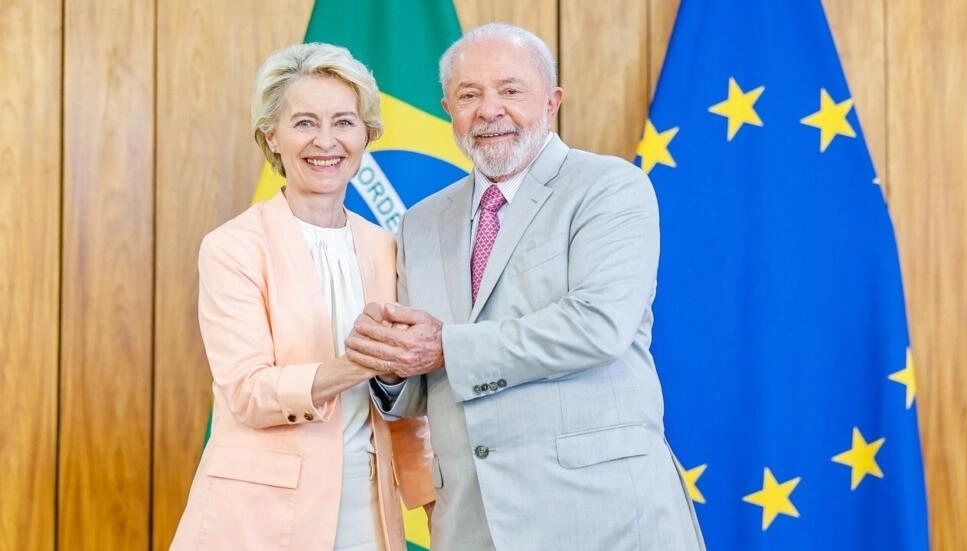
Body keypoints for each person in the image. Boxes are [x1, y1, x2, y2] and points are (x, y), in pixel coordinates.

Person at [345, 22, 705, 551]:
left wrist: (443, 345)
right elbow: (426, 380)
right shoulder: (420, 223)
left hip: (602, 515)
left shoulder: (610, 189)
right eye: (469, 95)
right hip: (473, 520)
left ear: (552, 101)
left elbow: (598, 327)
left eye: (510, 90)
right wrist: (392, 366)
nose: (489, 110)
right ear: (448, 108)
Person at [170, 43, 434, 551]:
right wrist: (355, 364)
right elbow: (247, 391)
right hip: (259, 514)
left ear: (366, 134)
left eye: (344, 122)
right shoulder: (232, 247)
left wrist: (433, 504)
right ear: (272, 135)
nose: (326, 141)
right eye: (305, 123)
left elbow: (405, 399)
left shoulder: (388, 247)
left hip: (371, 510)